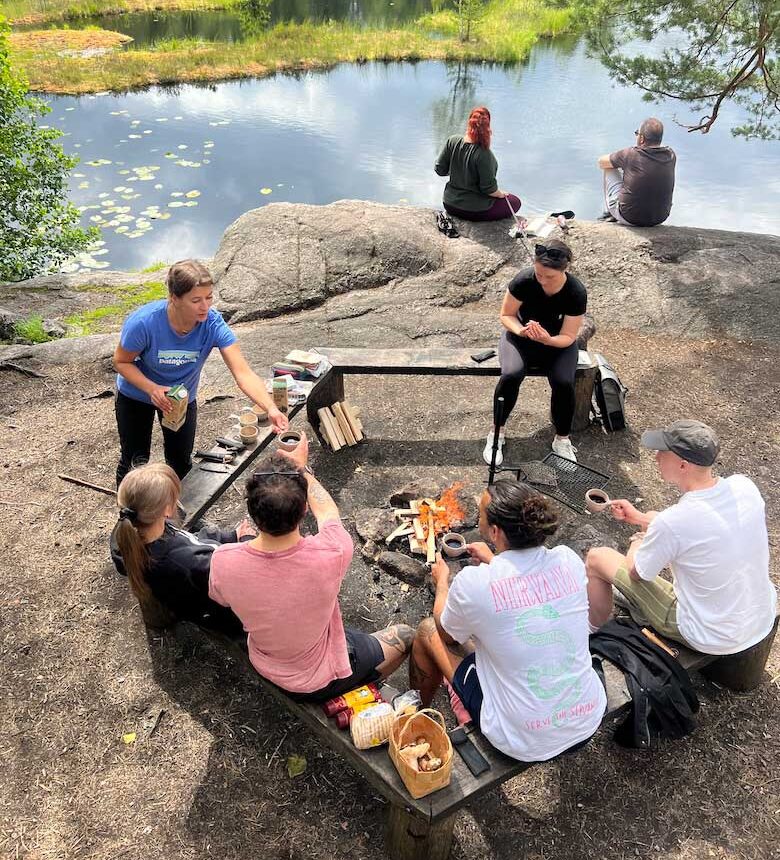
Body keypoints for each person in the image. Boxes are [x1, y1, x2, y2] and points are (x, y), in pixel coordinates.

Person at [410, 479, 606, 762]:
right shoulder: (567, 560)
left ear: (494, 530)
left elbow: (448, 634)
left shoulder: (474, 583)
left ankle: (416, 717)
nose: (478, 516)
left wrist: (443, 583)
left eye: (480, 513)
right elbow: (528, 589)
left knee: (428, 631)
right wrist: (496, 561)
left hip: (522, 739)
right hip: (586, 716)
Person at [208, 432, 414, 700]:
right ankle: (358, 691)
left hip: (266, 661)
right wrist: (302, 469)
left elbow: (222, 599)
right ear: (304, 509)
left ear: (251, 512)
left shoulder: (223, 560)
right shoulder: (331, 551)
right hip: (317, 678)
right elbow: (328, 512)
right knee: (406, 635)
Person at [586, 419, 777, 654]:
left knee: (597, 558)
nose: (656, 456)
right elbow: (704, 527)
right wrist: (641, 518)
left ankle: (593, 632)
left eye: (663, 452)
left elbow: (637, 572)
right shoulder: (744, 486)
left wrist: (639, 540)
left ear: (683, 465)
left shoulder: (674, 522)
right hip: (758, 616)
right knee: (656, 516)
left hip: (710, 634)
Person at [113, 259, 287, 486]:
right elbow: (121, 361)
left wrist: (270, 408)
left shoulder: (213, 324)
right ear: (174, 298)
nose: (205, 306)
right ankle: (130, 518)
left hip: (183, 398)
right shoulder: (145, 323)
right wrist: (152, 388)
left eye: (209, 297)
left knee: (180, 461)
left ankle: (182, 518)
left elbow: (243, 373)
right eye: (196, 300)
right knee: (135, 461)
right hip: (137, 395)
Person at [111, 462, 249, 634]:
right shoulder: (188, 563)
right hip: (219, 613)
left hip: (185, 597)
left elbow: (191, 541)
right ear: (167, 509)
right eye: (174, 498)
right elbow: (235, 577)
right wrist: (246, 542)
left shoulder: (127, 534)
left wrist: (229, 536)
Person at [484, 239, 585, 466]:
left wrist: (548, 339)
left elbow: (569, 336)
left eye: (549, 277)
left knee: (563, 381)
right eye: (539, 274)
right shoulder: (524, 280)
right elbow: (506, 315)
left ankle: (562, 439)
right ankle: (497, 432)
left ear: (564, 270)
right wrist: (522, 331)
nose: (542, 280)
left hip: (557, 342)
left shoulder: (575, 292)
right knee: (511, 374)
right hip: (521, 336)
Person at [434, 106, 522, 222]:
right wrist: (500, 194)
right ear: (488, 127)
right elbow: (489, 189)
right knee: (515, 202)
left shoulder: (452, 141)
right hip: (474, 210)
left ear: (469, 122)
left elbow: (439, 169)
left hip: (449, 204)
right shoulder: (484, 154)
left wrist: (459, 171)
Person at [597, 117, 676, 227]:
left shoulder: (631, 154)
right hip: (659, 218)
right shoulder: (671, 155)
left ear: (642, 139)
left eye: (637, 133)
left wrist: (621, 163)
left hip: (629, 218)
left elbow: (601, 162)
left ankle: (610, 213)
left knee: (609, 167)